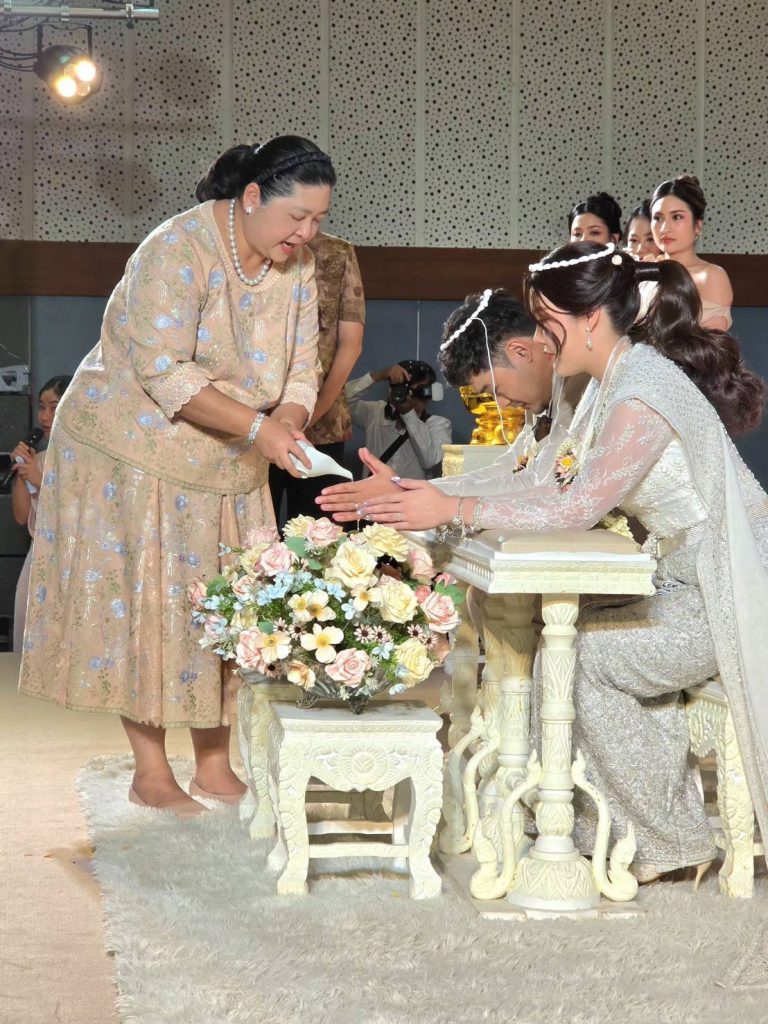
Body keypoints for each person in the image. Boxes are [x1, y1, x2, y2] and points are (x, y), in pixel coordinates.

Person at [354, 241, 768, 882]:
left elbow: (576, 506)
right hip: (677, 577)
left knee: (584, 655)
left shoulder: (645, 388)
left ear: (591, 318)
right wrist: (421, 493)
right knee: (562, 636)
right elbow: (534, 477)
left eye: (549, 324)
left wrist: (450, 509)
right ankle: (599, 821)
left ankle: (666, 840)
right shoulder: (603, 385)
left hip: (727, 587)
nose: (543, 342)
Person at [19, 135, 335, 815]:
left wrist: (287, 420)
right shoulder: (176, 248)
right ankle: (151, 771)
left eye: (318, 219)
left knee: (227, 607)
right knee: (152, 605)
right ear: (252, 197)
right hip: (131, 448)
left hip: (230, 453)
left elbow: (304, 366)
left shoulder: (301, 267)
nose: (307, 233)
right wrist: (260, 430)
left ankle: (216, 767)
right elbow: (164, 371)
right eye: (296, 217)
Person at [316, 292, 587, 516]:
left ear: (520, 351)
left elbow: (539, 483)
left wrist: (423, 497)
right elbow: (508, 468)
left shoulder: (580, 384)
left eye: (495, 390)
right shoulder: (540, 399)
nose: (503, 405)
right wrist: (408, 490)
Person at [269, 230, 365, 524]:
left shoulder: (337, 252)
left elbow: (351, 344)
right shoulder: (253, 248)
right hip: (252, 424)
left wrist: (312, 413)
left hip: (323, 422)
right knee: (254, 537)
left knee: (317, 535)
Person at [11, 375, 72, 652]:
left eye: (54, 407)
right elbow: (21, 516)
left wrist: (42, 481)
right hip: (38, 559)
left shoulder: (89, 462)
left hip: (70, 559)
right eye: (42, 407)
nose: (45, 416)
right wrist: (23, 472)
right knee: (30, 637)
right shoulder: (39, 460)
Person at [344, 360, 452, 481]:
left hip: (412, 493)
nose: (412, 398)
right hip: (373, 492)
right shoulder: (375, 414)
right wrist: (376, 376)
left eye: (420, 392)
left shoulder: (439, 424)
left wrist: (408, 413)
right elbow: (339, 401)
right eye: (406, 390)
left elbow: (430, 461)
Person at [649, 175, 733, 329]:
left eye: (677, 217)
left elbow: (710, 341)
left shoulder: (710, 277)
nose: (664, 228)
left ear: (698, 225)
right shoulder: (646, 270)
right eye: (658, 218)